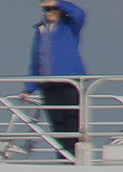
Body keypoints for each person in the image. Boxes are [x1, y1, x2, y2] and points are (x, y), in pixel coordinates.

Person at [24, 0, 87, 158]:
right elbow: (36, 61)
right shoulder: (40, 31)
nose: (49, 12)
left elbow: (79, 14)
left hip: (69, 83)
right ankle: (63, 159)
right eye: (46, 9)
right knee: (57, 125)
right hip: (48, 85)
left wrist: (59, 2)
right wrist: (29, 88)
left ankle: (75, 159)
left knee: (72, 123)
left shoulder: (69, 26)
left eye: (53, 9)